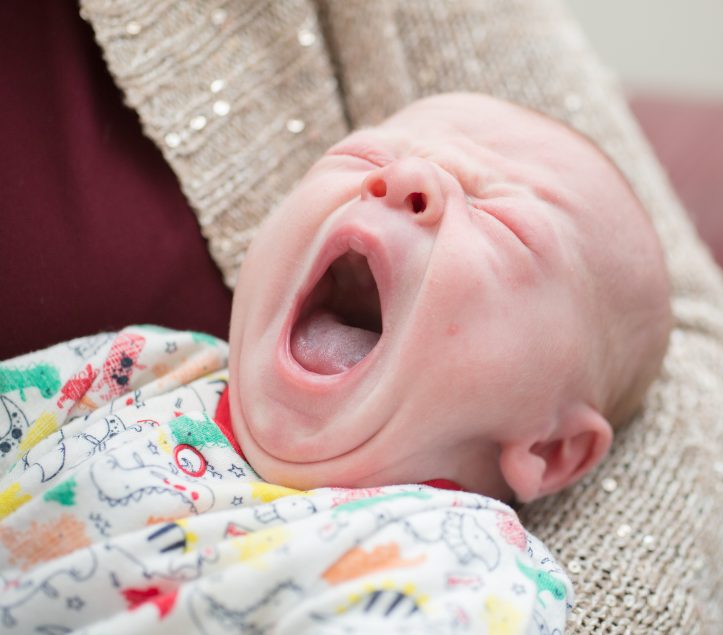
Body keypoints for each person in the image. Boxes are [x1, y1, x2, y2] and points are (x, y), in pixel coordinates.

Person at [0, 93, 672, 632]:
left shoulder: (456, 564)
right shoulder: (134, 368)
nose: (405, 174)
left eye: (505, 222)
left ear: (551, 447)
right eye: (366, 152)